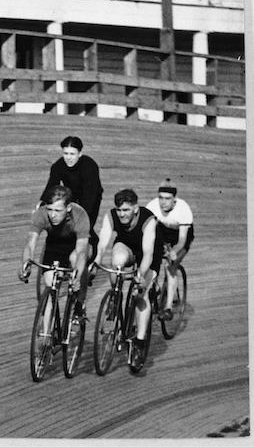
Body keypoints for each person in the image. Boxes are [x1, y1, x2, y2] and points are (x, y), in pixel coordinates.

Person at [93, 189, 164, 369]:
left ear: (135, 208)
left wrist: (141, 275)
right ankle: (115, 298)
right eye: (119, 210)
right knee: (116, 262)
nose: (122, 214)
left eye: (126, 210)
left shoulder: (148, 220)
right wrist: (96, 262)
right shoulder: (112, 216)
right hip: (126, 246)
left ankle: (139, 342)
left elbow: (148, 253)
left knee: (141, 293)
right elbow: (102, 245)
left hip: (148, 254)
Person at [18, 185, 90, 316]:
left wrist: (78, 277)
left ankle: (79, 302)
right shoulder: (41, 213)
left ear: (68, 208)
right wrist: (25, 264)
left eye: (58, 211)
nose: (52, 215)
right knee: (50, 284)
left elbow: (81, 251)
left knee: (76, 260)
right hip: (54, 246)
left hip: (75, 246)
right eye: (50, 210)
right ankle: (47, 333)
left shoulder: (80, 215)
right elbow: (30, 243)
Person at [39, 136, 103, 255]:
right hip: (72, 194)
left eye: (72, 154)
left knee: (84, 224)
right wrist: (41, 205)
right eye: (65, 153)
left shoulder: (89, 166)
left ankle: (92, 245)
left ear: (80, 154)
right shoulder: (58, 166)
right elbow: (50, 187)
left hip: (91, 194)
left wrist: (82, 218)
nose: (68, 158)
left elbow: (90, 196)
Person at [146, 178, 194, 320]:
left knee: (170, 266)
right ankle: (154, 286)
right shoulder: (152, 206)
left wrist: (173, 253)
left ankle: (168, 308)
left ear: (175, 199)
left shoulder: (183, 209)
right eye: (160, 198)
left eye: (167, 199)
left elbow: (182, 240)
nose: (163, 202)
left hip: (179, 236)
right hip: (162, 231)